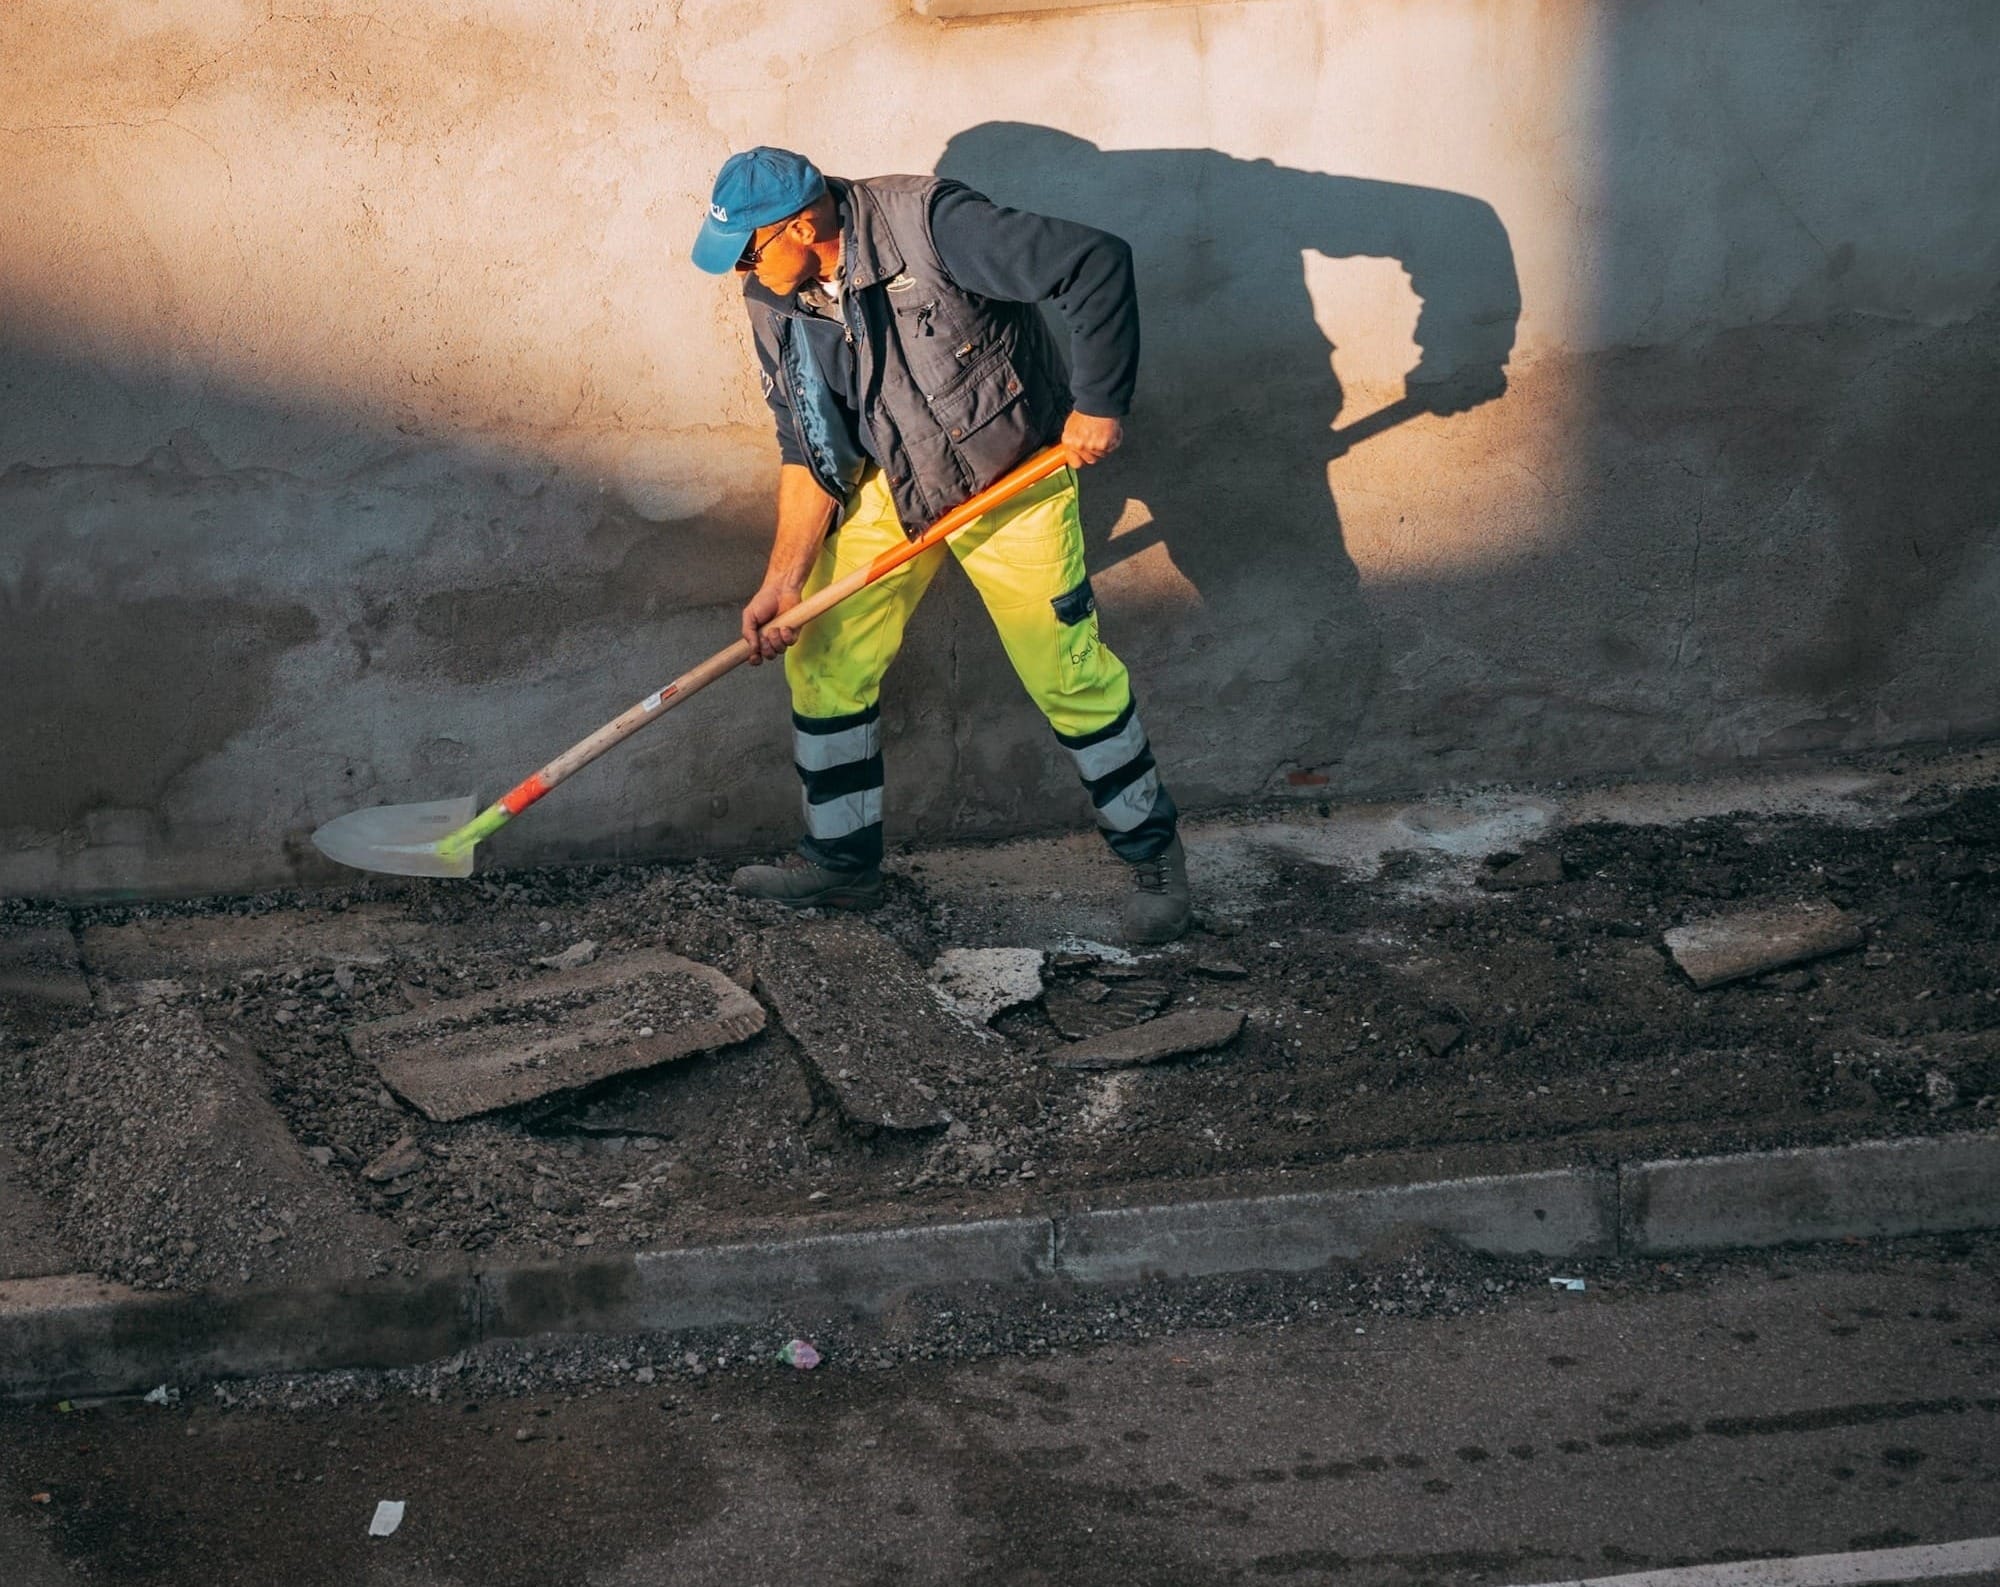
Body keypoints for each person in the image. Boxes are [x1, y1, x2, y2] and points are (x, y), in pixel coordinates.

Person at [691, 146, 1190, 944]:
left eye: (747, 252)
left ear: (801, 227)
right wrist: (784, 579)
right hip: (896, 484)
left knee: (1064, 669)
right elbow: (807, 444)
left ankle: (1154, 857)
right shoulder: (774, 300)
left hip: (1010, 476)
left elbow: (1094, 262)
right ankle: (843, 864)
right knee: (822, 653)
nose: (739, 274)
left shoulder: (931, 227)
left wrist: (1099, 401)